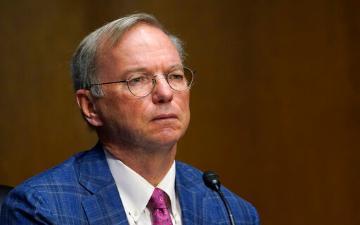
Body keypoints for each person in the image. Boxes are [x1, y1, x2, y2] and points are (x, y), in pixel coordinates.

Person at [0, 13, 259, 225]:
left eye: (175, 76)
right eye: (138, 80)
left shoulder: (233, 213)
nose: (166, 93)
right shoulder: (41, 209)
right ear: (90, 106)